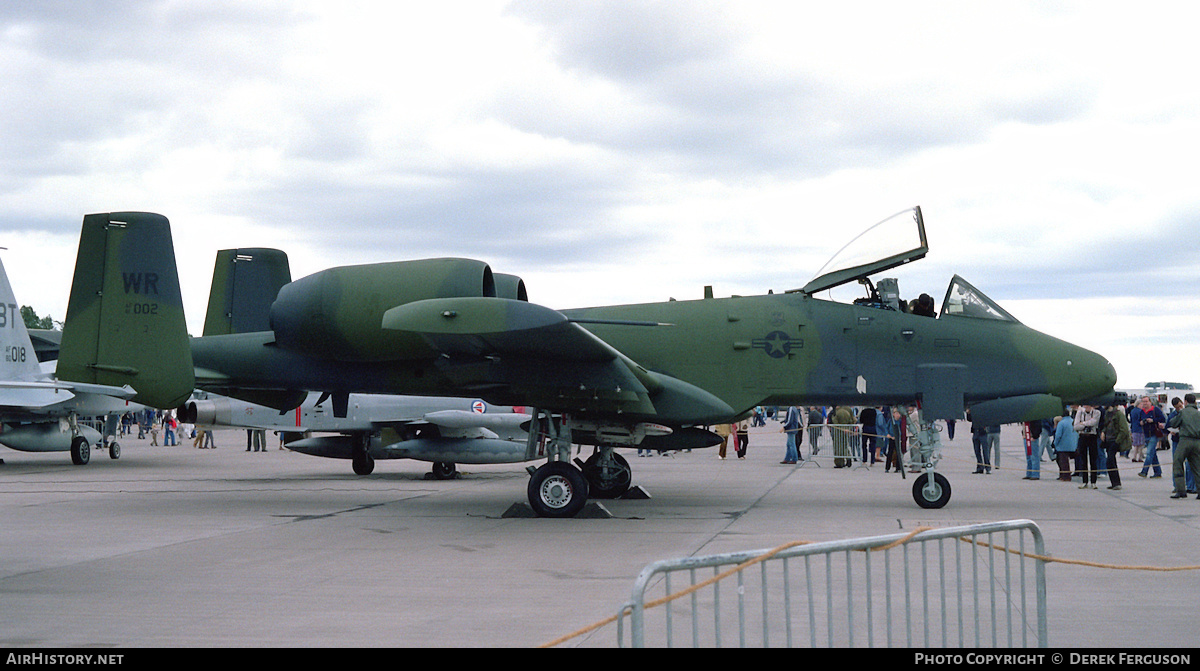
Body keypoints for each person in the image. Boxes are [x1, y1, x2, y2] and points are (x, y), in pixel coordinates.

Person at [1167, 394, 1200, 499]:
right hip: (1197, 442)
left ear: (1185, 402)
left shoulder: (1183, 412)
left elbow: (1173, 423)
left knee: (1177, 462)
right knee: (1196, 466)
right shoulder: (1198, 414)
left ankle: (1181, 490)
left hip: (1185, 440)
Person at [1100, 400, 1130, 490]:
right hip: (1108, 441)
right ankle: (1114, 483)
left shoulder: (1118, 414)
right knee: (1110, 462)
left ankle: (1116, 483)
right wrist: (1103, 432)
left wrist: (1117, 441)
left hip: (1114, 440)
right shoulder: (1107, 414)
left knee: (1110, 461)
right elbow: (1106, 425)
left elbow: (1124, 429)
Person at [1136, 396, 1166, 478]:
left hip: (1154, 434)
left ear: (1150, 402)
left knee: (1149, 453)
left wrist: (1153, 420)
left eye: (1146, 401)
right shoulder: (1141, 412)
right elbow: (1138, 421)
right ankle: (1158, 472)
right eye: (1143, 402)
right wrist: (1141, 422)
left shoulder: (1155, 410)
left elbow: (1163, 418)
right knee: (1153, 454)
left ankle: (1144, 471)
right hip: (1146, 434)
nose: (1145, 403)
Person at [1074, 404, 1101, 489]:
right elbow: (1076, 426)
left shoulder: (1097, 412)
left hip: (1092, 436)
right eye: (1085, 405)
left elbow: (1094, 422)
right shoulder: (1080, 412)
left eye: (1088, 405)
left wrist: (1083, 423)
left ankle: (1093, 481)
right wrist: (1085, 425)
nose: (1086, 407)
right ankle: (1084, 481)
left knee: (1093, 459)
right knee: (1083, 459)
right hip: (1082, 436)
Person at [1053, 414, 1078, 482]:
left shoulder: (1061, 423)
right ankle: (1063, 475)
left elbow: (1058, 435)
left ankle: (1066, 476)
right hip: (1073, 444)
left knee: (1063, 461)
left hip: (1063, 445)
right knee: (1064, 461)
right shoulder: (1074, 421)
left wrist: (1055, 443)